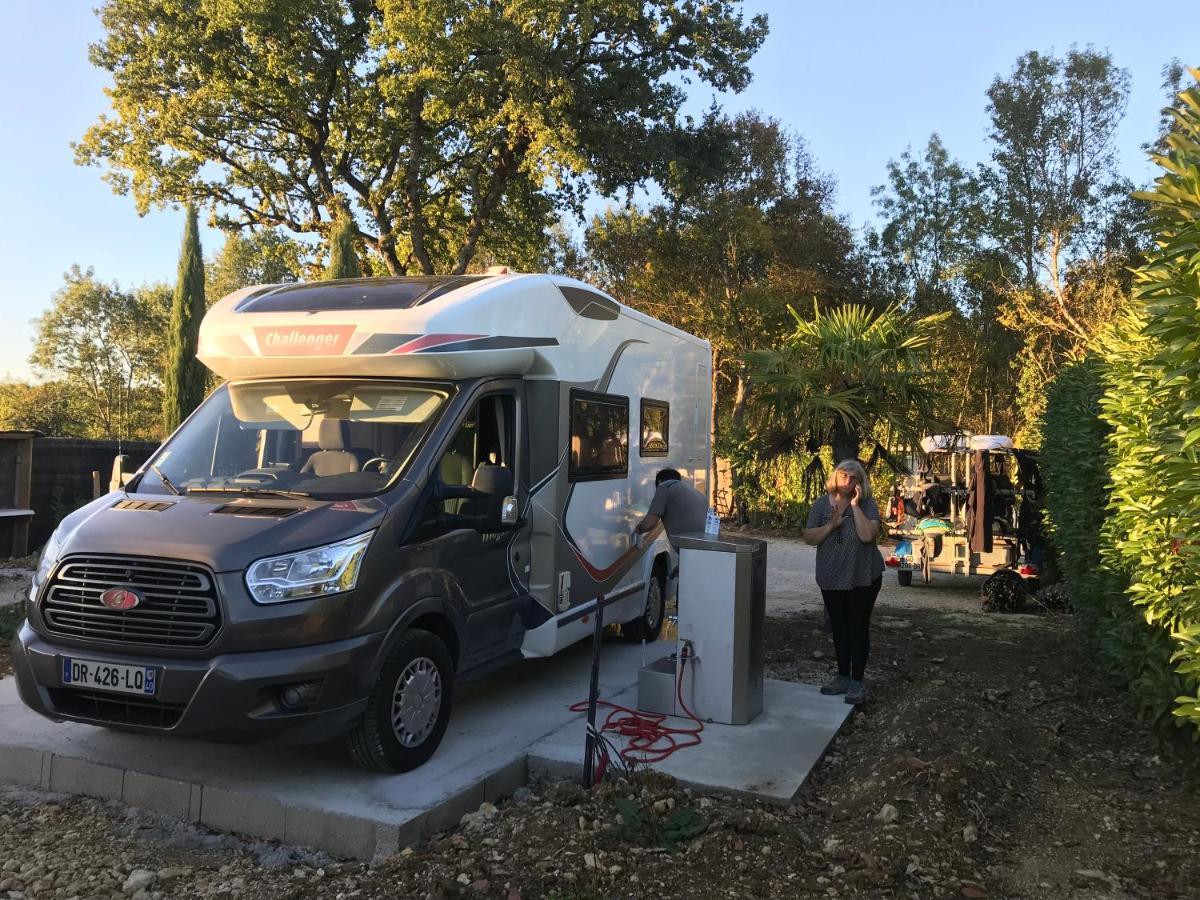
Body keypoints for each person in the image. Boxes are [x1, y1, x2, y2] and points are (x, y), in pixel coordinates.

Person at [803, 459, 885, 705]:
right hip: (831, 576)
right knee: (839, 627)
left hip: (863, 576)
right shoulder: (821, 504)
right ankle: (842, 676)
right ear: (835, 477)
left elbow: (867, 535)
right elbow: (808, 537)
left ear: (860, 482)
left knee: (857, 626)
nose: (847, 481)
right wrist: (832, 525)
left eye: (853, 477)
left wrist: (855, 506)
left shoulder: (867, 504)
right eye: (843, 475)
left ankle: (857, 682)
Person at [634, 468, 708, 550]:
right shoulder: (695, 491)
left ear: (659, 481)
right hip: (704, 544)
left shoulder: (664, 487)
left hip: (689, 548)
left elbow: (650, 523)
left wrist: (640, 529)